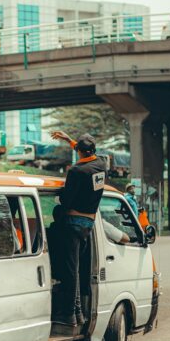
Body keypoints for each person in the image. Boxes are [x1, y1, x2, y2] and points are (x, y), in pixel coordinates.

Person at [49, 130, 106, 326]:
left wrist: (60, 202)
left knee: (70, 271)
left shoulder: (76, 171)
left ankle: (69, 314)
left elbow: (66, 200)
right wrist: (68, 140)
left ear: (79, 152)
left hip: (73, 224)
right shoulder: (100, 166)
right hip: (88, 225)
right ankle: (79, 314)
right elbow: (83, 152)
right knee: (78, 269)